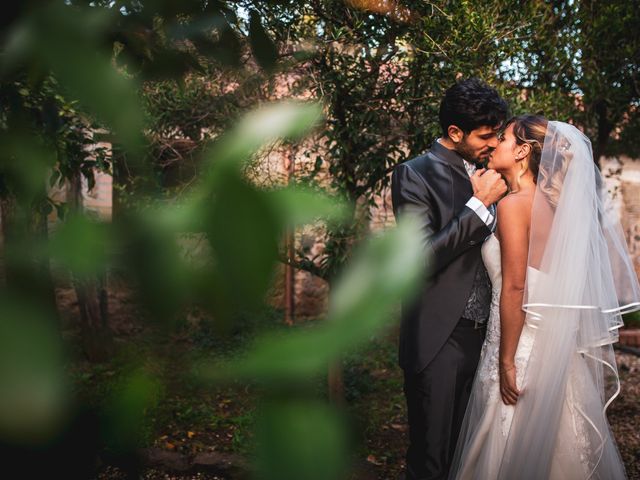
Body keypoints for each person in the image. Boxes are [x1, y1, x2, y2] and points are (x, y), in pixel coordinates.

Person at [449, 115, 640, 479]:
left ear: (522, 151)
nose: (494, 145)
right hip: (555, 350)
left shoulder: (513, 204)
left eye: (503, 138)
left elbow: (516, 287)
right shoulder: (556, 207)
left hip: (519, 344)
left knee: (507, 440)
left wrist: (506, 361)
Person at [390, 78, 508, 480]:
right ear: (455, 132)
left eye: (497, 135)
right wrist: (478, 206)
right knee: (432, 461)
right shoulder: (413, 175)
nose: (493, 145)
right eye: (485, 136)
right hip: (439, 339)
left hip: (487, 339)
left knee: (468, 457)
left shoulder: (494, 171)